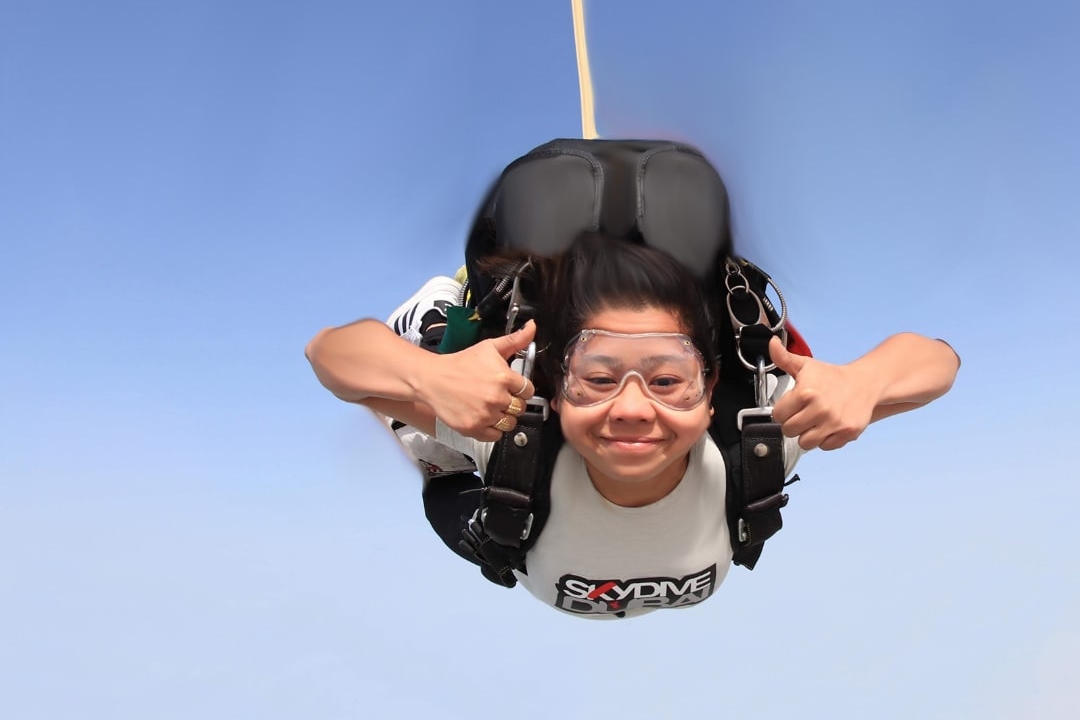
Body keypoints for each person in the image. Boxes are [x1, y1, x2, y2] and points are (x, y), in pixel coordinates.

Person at [306, 232, 960, 618]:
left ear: (710, 397)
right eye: (598, 375)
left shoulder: (758, 429)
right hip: (494, 507)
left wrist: (863, 380)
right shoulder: (510, 425)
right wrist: (429, 377)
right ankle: (438, 315)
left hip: (533, 543)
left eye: (667, 377)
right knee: (432, 418)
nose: (632, 408)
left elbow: (938, 362)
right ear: (556, 395)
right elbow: (332, 355)